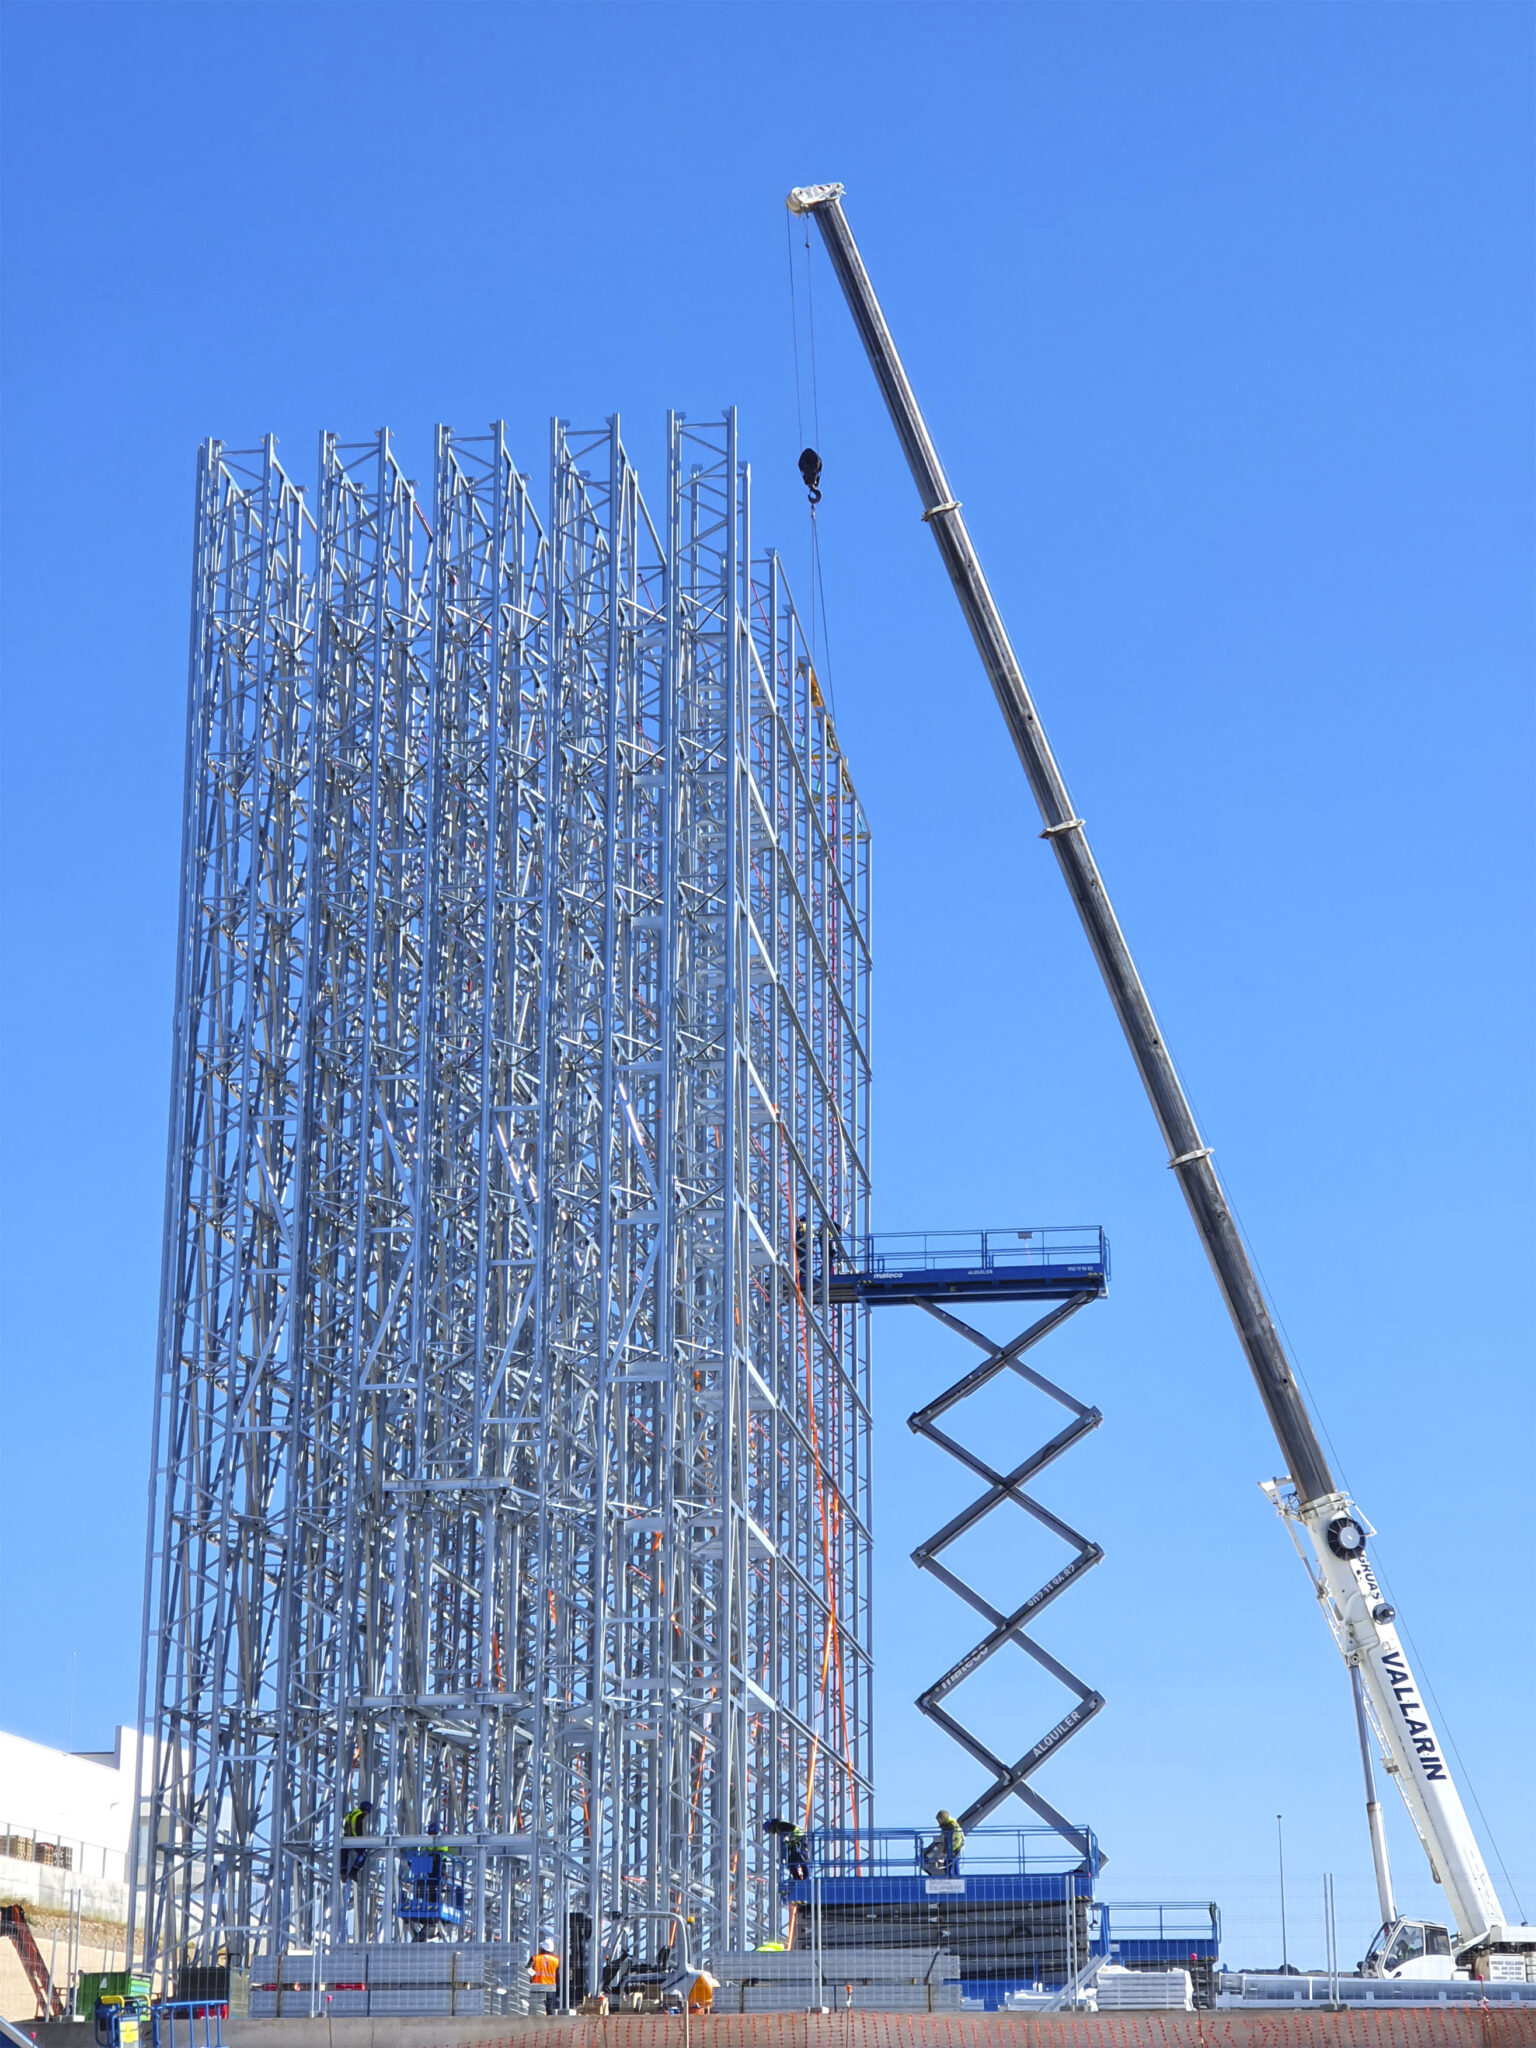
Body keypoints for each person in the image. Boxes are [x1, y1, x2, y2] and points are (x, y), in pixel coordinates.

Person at [766, 1816, 810, 1881]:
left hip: (799, 1839)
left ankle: (804, 1878)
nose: (771, 1832)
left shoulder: (780, 1826)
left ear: (771, 1826)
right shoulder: (780, 1826)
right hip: (795, 1842)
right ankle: (798, 1879)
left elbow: (788, 1835)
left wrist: (787, 1843)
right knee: (792, 1862)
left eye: (770, 1830)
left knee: (800, 1858)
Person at [923, 1809, 963, 1876]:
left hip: (953, 1850)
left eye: (939, 1820)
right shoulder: (951, 1824)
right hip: (955, 1849)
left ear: (942, 1819)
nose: (938, 1822)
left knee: (949, 1867)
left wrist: (943, 1853)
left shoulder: (950, 1827)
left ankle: (951, 1879)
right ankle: (956, 1878)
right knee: (954, 1866)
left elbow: (948, 1840)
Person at [341, 1799, 372, 1883]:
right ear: (365, 1809)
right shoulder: (360, 1815)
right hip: (354, 1839)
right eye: (367, 1812)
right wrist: (359, 1839)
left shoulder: (350, 1813)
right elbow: (357, 1828)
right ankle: (353, 1872)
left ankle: (343, 1872)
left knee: (344, 1853)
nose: (367, 1814)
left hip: (345, 1838)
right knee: (363, 1854)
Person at [529, 1941, 560, 2016]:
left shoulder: (535, 1958)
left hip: (536, 1987)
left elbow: (527, 1970)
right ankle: (550, 2022)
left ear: (543, 1949)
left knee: (536, 2009)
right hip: (550, 1987)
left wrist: (533, 1976)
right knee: (549, 2009)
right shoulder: (556, 1960)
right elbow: (557, 1975)